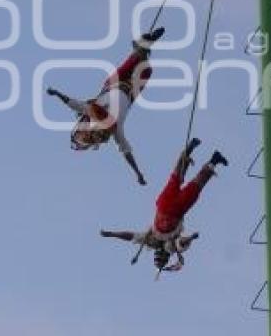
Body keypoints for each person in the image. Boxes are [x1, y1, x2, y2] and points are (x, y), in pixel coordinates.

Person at [46, 28, 164, 186]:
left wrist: (56, 93)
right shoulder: (116, 130)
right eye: (98, 138)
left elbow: (73, 104)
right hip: (130, 91)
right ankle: (142, 46)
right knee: (147, 69)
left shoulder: (93, 113)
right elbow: (126, 153)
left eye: (90, 136)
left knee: (135, 60)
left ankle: (141, 46)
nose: (100, 135)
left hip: (113, 83)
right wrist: (138, 173)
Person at [100, 138, 229, 275]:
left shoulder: (163, 244)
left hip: (174, 210)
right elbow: (131, 236)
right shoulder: (151, 240)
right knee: (177, 177)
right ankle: (198, 153)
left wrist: (191, 237)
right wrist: (111, 234)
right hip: (163, 204)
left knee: (195, 184)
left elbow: (180, 243)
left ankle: (211, 159)